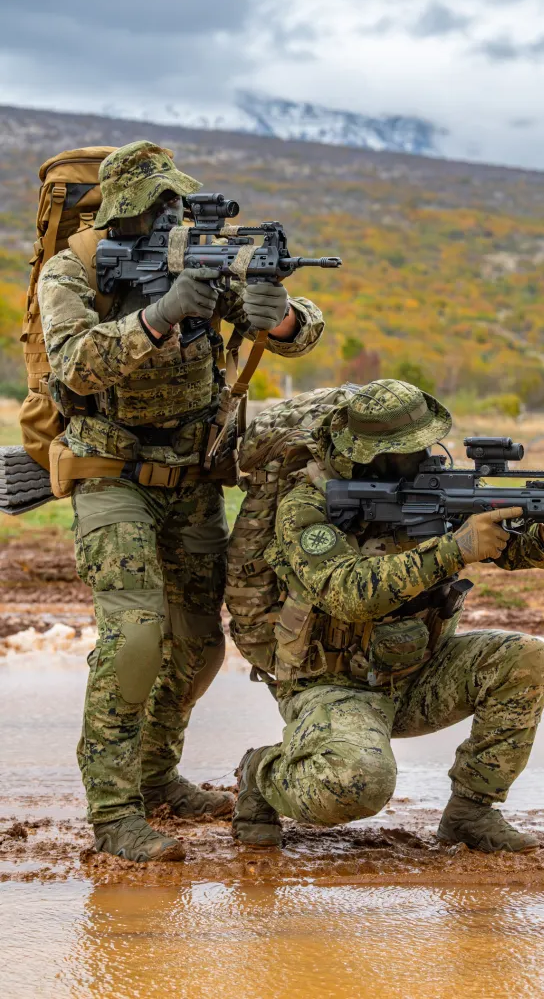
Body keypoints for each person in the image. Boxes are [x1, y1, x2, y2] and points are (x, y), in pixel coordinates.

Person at [37, 140, 325, 863]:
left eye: (177, 202)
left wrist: (280, 313)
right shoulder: (71, 269)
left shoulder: (199, 256)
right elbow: (72, 362)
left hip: (191, 477)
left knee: (198, 644)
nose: (170, 215)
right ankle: (114, 815)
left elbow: (298, 332)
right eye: (158, 203)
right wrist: (156, 316)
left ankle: (157, 775)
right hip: (112, 475)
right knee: (134, 638)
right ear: (123, 205)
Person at [232, 379, 544, 854]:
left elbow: (505, 549)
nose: (420, 455)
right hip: (333, 682)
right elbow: (348, 593)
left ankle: (471, 813)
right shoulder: (308, 505)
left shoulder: (433, 489)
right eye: (404, 448)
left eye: (421, 443)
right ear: (367, 450)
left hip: (417, 672)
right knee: (356, 784)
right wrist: (455, 549)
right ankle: (263, 774)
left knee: (522, 658)